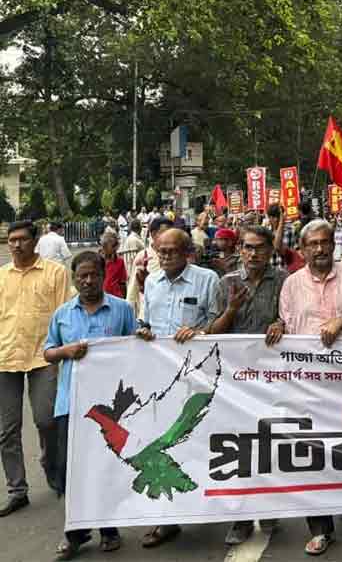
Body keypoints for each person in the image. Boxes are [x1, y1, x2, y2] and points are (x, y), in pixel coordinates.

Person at [278, 219, 342, 556]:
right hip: (306, 384)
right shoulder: (291, 284)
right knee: (310, 452)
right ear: (302, 249)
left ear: (334, 244)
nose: (320, 249)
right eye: (313, 244)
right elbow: (287, 326)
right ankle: (320, 528)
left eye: (325, 242)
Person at [44, 250, 136, 558]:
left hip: (109, 409)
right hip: (70, 404)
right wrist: (65, 351)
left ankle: (109, 529)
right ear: (74, 278)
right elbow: (47, 352)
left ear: (103, 274)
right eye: (81, 275)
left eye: (93, 274)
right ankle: (75, 533)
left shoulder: (122, 310)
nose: (87, 280)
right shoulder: (63, 314)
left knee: (106, 468)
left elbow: (135, 349)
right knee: (72, 471)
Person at [201, 225, 287, 546]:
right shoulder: (226, 284)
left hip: (272, 376)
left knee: (269, 441)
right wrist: (232, 310)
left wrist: (282, 324)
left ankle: (267, 504)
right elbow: (211, 331)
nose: (253, 254)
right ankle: (239, 518)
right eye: (248, 248)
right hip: (234, 380)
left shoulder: (283, 282)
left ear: (270, 251)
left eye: (260, 248)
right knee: (238, 446)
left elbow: (291, 322)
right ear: (240, 249)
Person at [134, 227, 219, 549]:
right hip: (160, 379)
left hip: (197, 376)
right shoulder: (151, 282)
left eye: (172, 251)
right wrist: (143, 332)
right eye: (161, 250)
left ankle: (208, 506)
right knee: (160, 444)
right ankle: (166, 519)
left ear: (187, 253)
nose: (165, 256)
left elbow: (219, 323)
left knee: (197, 442)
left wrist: (199, 331)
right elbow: (145, 323)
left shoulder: (207, 279)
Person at [0, 220, 69, 517]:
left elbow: (65, 314)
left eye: (21, 240)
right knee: (7, 430)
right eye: (11, 240)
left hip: (45, 357)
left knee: (47, 421)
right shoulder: (1, 276)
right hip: (5, 358)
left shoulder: (55, 273)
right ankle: (17, 490)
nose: (15, 245)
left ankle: (51, 466)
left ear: (35, 241)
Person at [125, 216, 172, 317]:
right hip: (147, 316)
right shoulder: (143, 257)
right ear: (154, 234)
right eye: (166, 233)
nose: (170, 238)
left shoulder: (175, 258)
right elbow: (132, 290)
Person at [98, 232, 128, 299]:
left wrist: (123, 300)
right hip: (100, 298)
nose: (104, 248)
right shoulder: (97, 260)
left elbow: (122, 283)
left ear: (116, 247)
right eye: (103, 245)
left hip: (116, 297)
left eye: (106, 246)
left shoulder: (120, 261)